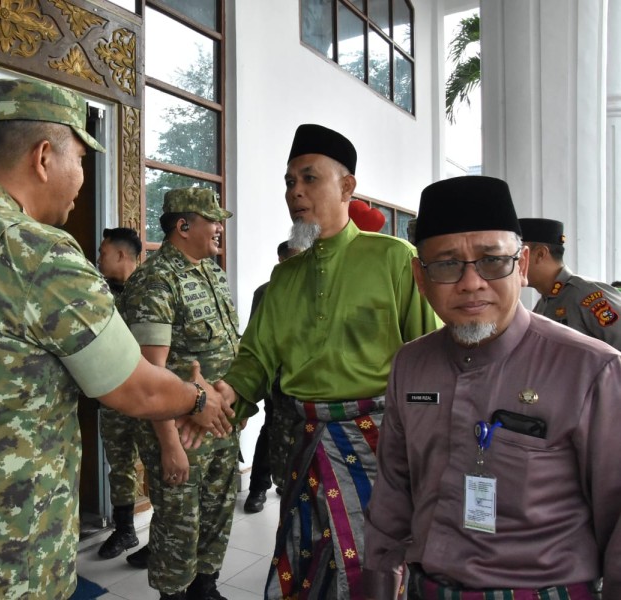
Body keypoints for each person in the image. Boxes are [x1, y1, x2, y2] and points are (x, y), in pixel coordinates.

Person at [0, 77, 234, 599]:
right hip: (5, 559)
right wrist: (199, 398)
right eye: (81, 161)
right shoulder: (35, 252)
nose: (82, 179)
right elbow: (136, 388)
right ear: (44, 157)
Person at [210, 124, 441, 599]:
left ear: (347, 186)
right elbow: (255, 357)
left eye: (309, 179)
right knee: (307, 561)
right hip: (302, 443)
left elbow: (432, 358)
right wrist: (227, 394)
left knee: (376, 570)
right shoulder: (284, 276)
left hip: (380, 445)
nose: (295, 192)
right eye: (289, 182)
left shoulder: (396, 259)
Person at [363, 175, 621, 599]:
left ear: (521, 265)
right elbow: (392, 495)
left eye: (492, 260)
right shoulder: (411, 365)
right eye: (446, 264)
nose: (470, 282)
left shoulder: (592, 371)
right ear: (420, 277)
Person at [121, 187, 240, 600]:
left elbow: (229, 348)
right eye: (212, 219)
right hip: (180, 432)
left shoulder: (211, 273)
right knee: (177, 526)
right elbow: (150, 375)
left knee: (218, 511)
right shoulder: (155, 280)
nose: (219, 227)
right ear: (183, 225)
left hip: (219, 423)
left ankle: (206, 588)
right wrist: (170, 445)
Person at [95, 227, 146, 559]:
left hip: (147, 396)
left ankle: (165, 540)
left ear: (121, 255)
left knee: (158, 467)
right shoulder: (97, 294)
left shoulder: (151, 291)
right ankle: (125, 531)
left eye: (103, 252)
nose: (98, 258)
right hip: (112, 396)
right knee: (120, 464)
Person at [243, 240, 302, 514]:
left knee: (301, 432)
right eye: (292, 260)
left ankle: (286, 479)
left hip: (303, 379)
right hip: (275, 378)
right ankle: (257, 488)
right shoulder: (265, 292)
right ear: (280, 261)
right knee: (271, 429)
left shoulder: (312, 292)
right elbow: (256, 339)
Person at [518, 217, 621, 351]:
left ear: (540, 254)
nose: (512, 264)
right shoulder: (542, 304)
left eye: (518, 256)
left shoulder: (587, 295)